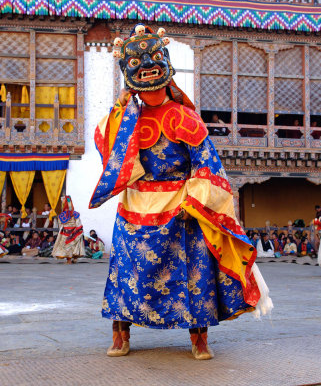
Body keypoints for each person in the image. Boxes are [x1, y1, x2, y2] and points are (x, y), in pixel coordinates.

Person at [89, 24, 272, 360]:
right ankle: (120, 333)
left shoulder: (183, 117)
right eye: (137, 66)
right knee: (125, 272)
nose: (146, 71)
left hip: (180, 204)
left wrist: (196, 197)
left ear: (165, 67)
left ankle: (199, 338)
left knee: (193, 272)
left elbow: (207, 164)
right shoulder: (126, 117)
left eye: (153, 63)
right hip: (136, 205)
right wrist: (121, 105)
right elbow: (108, 147)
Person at [52, 196, 85, 264]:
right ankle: (75, 258)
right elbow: (78, 223)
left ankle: (69, 260)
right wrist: (78, 230)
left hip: (66, 233)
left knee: (67, 246)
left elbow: (61, 224)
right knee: (74, 245)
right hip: (75, 232)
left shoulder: (62, 215)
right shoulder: (75, 214)